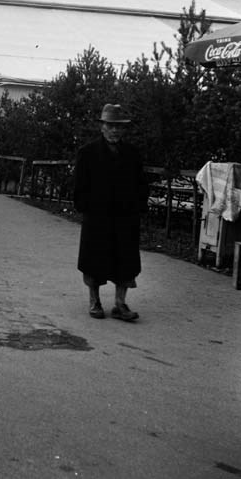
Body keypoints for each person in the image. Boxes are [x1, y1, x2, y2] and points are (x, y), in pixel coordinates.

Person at [73, 104, 148, 322]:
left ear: (123, 129)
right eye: (110, 125)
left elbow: (141, 184)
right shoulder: (87, 153)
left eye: (118, 126)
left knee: (125, 261)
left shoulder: (132, 154)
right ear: (102, 127)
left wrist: (138, 207)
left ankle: (120, 304)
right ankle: (94, 301)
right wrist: (86, 208)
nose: (114, 130)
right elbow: (79, 186)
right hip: (98, 217)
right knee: (94, 260)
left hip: (126, 217)